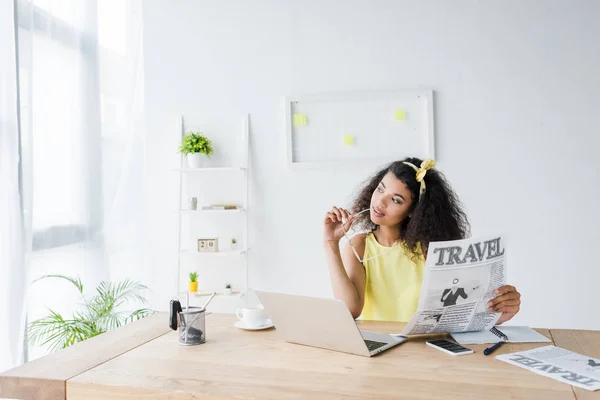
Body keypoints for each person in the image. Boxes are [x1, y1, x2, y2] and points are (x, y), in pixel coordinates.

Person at [323, 157, 521, 324]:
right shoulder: (359, 245)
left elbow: (455, 312)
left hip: (425, 350)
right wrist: (331, 243)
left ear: (413, 211)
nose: (380, 201)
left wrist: (500, 312)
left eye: (396, 200)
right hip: (379, 350)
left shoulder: (430, 249)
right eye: (381, 189)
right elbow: (350, 311)